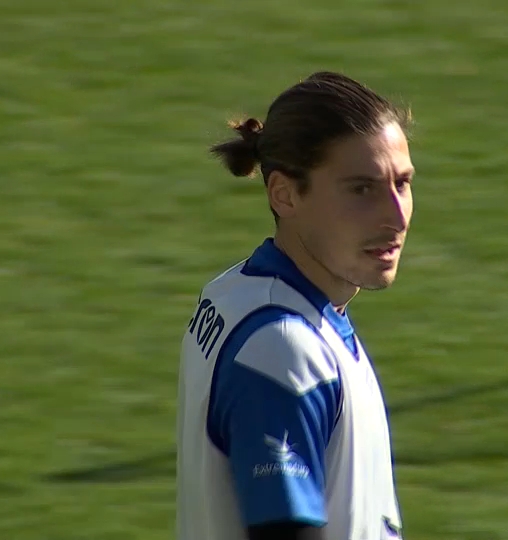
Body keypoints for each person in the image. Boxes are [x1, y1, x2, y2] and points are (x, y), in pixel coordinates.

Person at [176, 72, 415, 540]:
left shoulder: (236, 293)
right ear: (284, 194)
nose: (395, 215)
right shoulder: (284, 351)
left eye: (402, 184)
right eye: (361, 189)